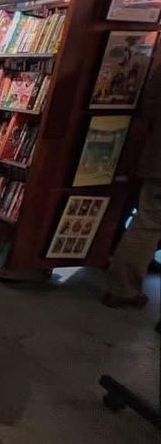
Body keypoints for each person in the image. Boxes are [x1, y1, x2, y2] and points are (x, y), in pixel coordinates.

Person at [102, 71, 161, 308]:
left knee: (146, 225)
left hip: (156, 160)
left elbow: (148, 108)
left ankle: (123, 287)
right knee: (148, 225)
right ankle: (124, 288)